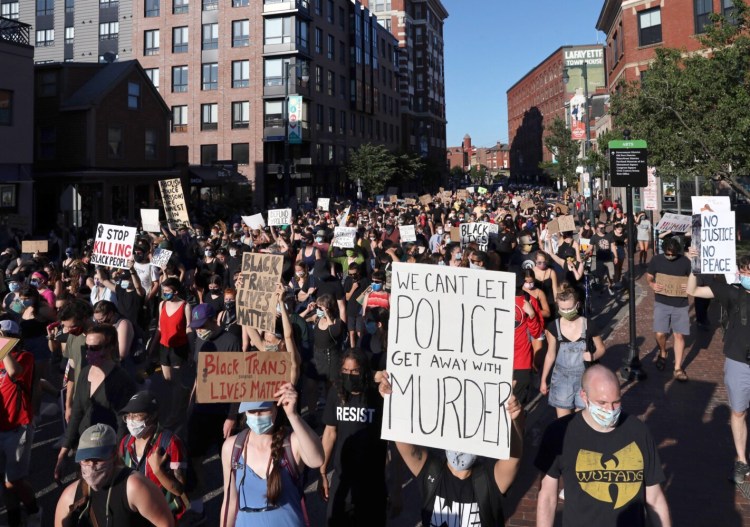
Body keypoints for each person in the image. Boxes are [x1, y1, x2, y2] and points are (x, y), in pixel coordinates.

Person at [377, 371, 524, 526]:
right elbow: (404, 442)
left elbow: (513, 458)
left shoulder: (489, 480)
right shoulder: (431, 472)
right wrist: (392, 399)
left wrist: (514, 420)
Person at [535, 365, 671, 527]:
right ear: (584, 396)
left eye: (616, 402)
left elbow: (654, 496)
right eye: (602, 402)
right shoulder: (559, 433)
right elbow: (548, 496)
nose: (610, 410)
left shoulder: (638, 432)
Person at [219, 384, 325, 527]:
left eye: (264, 410)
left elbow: (317, 460)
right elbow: (230, 501)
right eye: (252, 410)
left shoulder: (291, 442)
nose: (257, 416)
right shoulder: (232, 447)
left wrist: (293, 415)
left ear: (276, 408)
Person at [687, 255, 750, 484]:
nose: (746, 276)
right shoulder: (733, 293)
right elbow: (694, 291)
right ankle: (742, 459)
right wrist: (694, 268)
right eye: (743, 272)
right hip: (738, 361)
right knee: (738, 412)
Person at [55, 325, 137, 482]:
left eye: (95, 348)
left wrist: (117, 458)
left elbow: (123, 424)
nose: (89, 353)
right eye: (87, 347)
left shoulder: (122, 380)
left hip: (107, 451)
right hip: (84, 446)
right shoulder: (85, 372)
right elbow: (77, 413)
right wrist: (63, 452)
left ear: (111, 347)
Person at [54, 423, 175, 527]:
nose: (92, 466)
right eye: (86, 460)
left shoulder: (134, 487)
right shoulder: (69, 496)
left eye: (98, 459)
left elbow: (166, 524)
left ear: (113, 455)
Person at [319, 348, 386, 526]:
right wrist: (322, 471)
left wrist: (395, 487)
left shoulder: (377, 394)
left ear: (364, 371)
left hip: (372, 483)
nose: (350, 375)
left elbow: (392, 443)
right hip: (343, 480)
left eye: (355, 371)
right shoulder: (336, 392)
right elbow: (329, 433)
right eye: (346, 371)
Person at [117, 391, 190, 522]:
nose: (131, 421)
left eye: (137, 415)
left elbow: (179, 490)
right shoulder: (125, 443)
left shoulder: (170, 443)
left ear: (153, 416)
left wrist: (158, 471)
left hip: (164, 515)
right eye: (128, 416)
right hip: (137, 516)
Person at [0, 320, 42, 527]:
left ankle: (34, 511)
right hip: (1, 425)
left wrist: (2, 346)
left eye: (6, 335)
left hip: (18, 425)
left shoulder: (24, 357)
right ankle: (14, 519)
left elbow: (14, 373)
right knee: (4, 484)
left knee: (13, 480)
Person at [540, 288, 606, 418]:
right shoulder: (554, 327)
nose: (566, 312)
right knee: (563, 422)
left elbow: (601, 349)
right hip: (561, 380)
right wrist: (543, 379)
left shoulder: (589, 325)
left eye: (569, 308)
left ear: (577, 305)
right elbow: (550, 354)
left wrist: (593, 356)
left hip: (584, 379)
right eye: (562, 309)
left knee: (581, 419)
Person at [646, 237, 691, 381]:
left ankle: (677, 367)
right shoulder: (657, 260)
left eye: (672, 254)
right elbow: (649, 276)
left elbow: (693, 277)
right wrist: (652, 285)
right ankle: (663, 351)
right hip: (662, 302)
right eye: (668, 253)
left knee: (679, 335)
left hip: (681, 304)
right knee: (660, 333)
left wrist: (689, 285)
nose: (670, 256)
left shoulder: (685, 262)